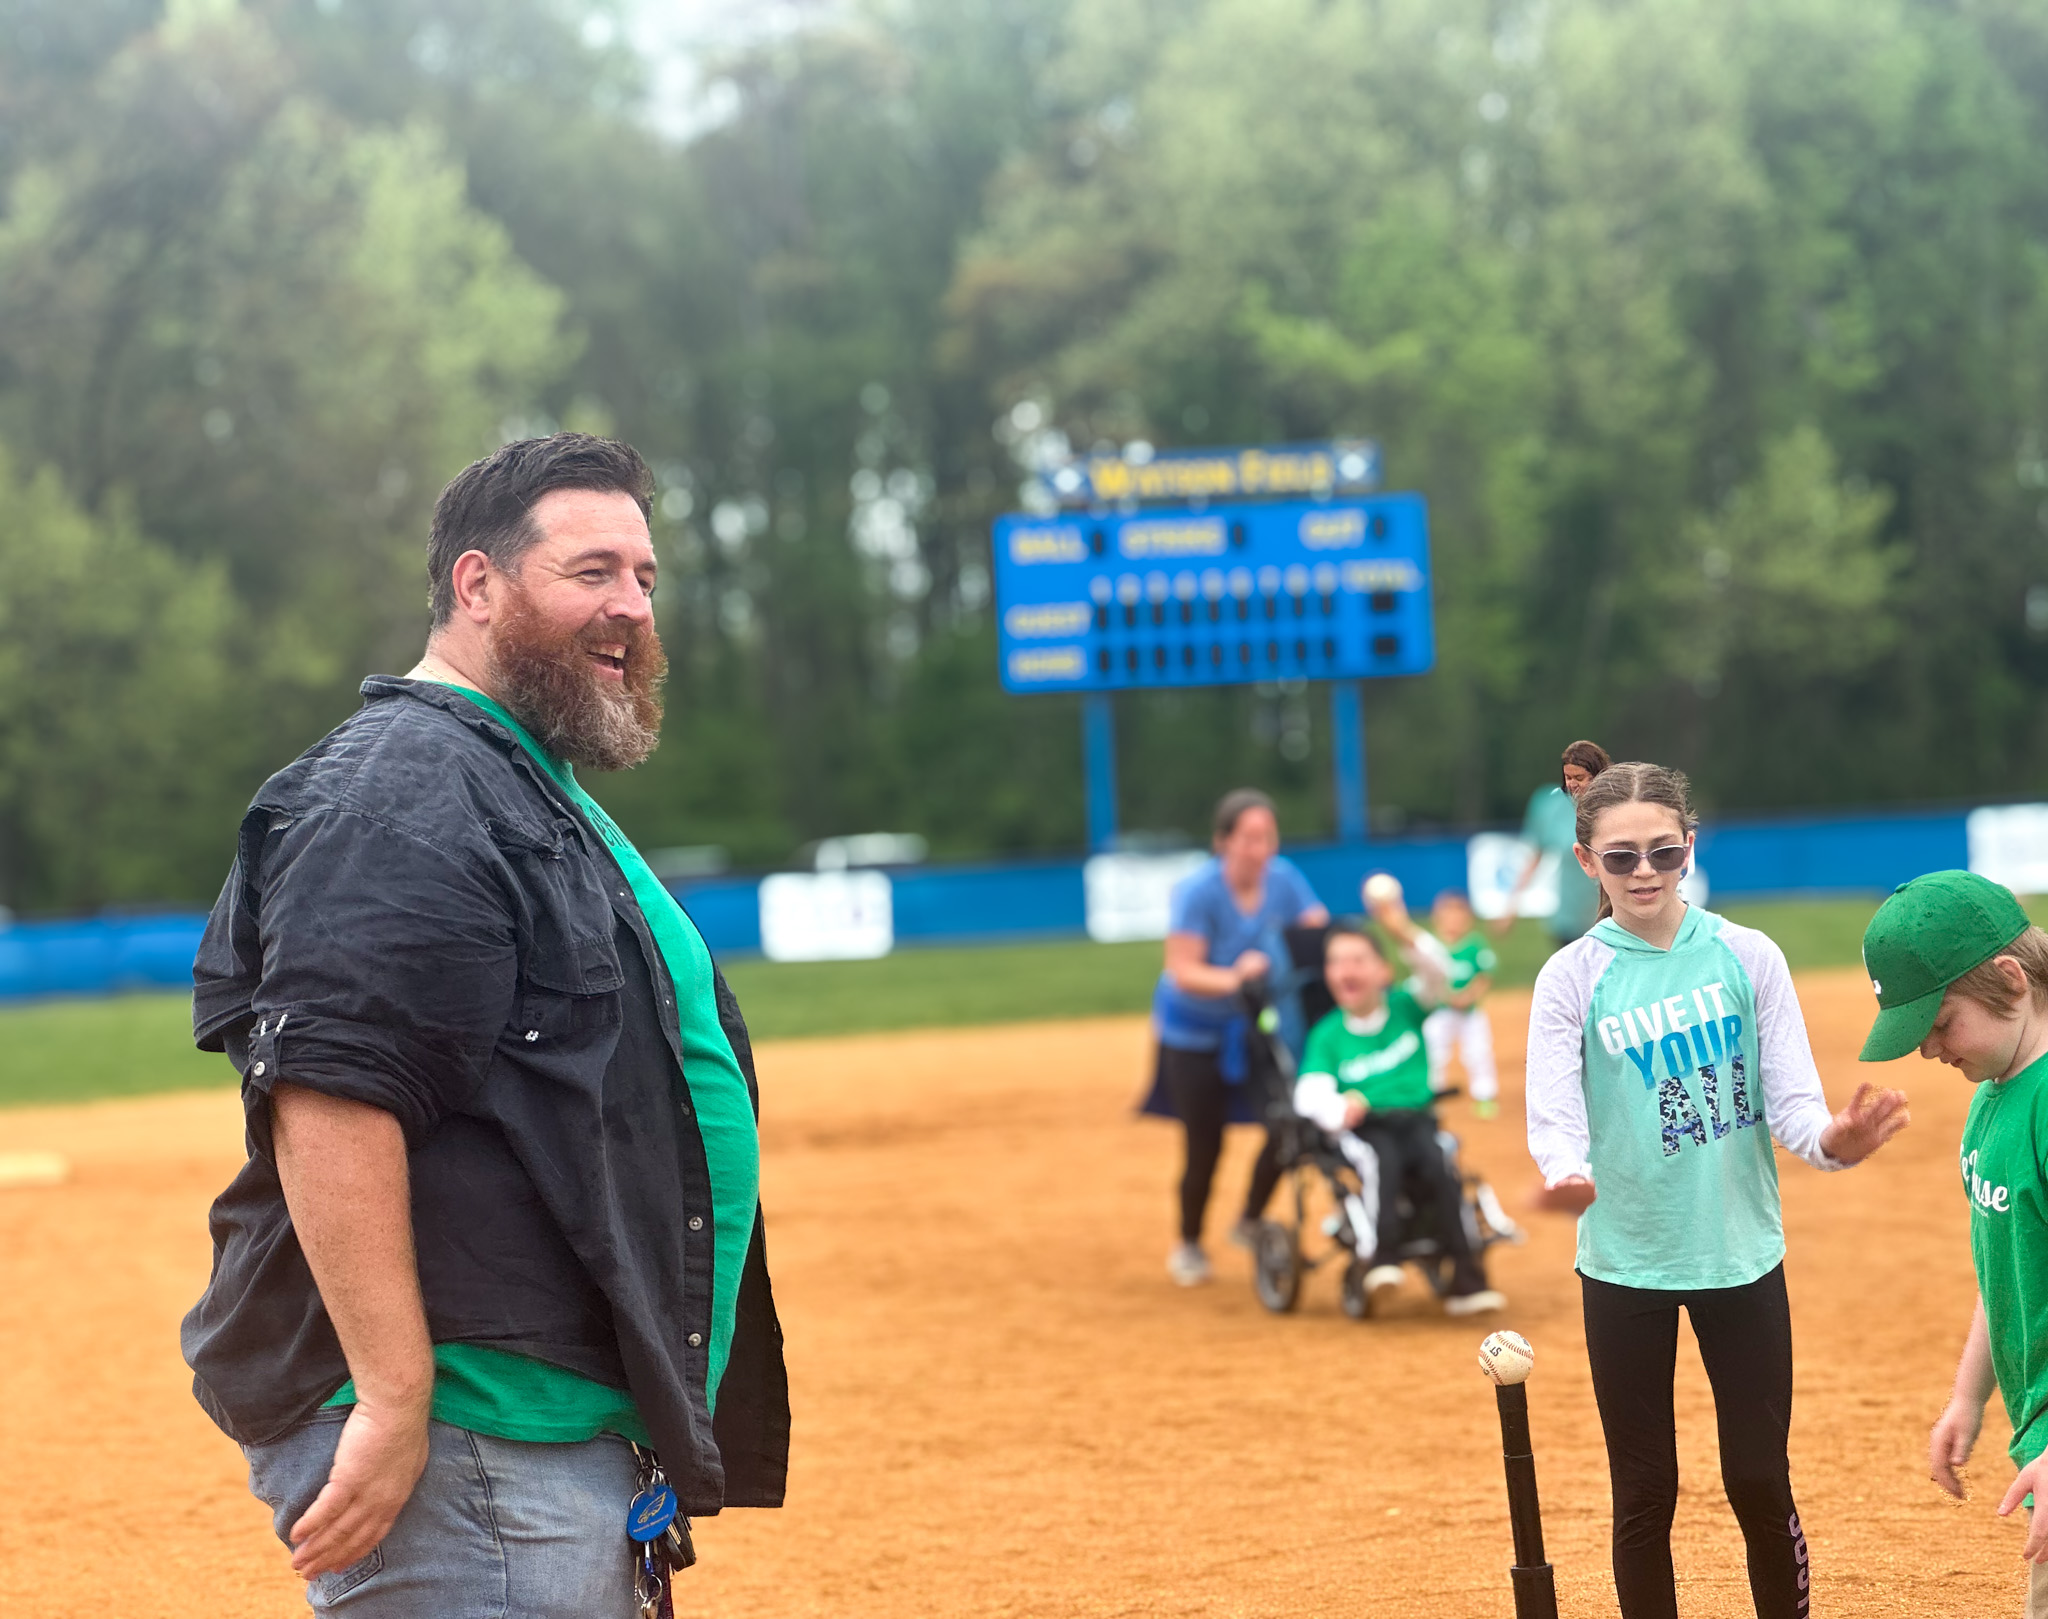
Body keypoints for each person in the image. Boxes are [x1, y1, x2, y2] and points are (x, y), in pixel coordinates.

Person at [182, 434, 788, 1617]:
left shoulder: (513, 782)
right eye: (592, 571)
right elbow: (333, 1093)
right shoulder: (406, 792)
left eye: (645, 578)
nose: (631, 608)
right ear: (476, 585)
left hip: (523, 1435)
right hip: (468, 1439)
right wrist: (396, 1394)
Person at [1524, 760, 1908, 1619]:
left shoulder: (1746, 955)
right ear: (1587, 861)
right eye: (1621, 858)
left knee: (1758, 1479)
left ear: (1690, 845)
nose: (1645, 872)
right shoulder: (1571, 978)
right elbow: (1553, 1118)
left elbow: (1798, 1107)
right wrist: (1567, 1173)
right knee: (1644, 1490)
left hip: (1740, 1253)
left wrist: (1837, 1142)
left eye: (1663, 851)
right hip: (1624, 1263)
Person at [1857, 873, 2048, 1608]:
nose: (1929, 1049)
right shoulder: (1991, 1101)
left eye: (1941, 1023)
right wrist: (1969, 1396)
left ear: (2010, 979)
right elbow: (2005, 1264)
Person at [1152, 788, 1329, 1286]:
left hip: (1256, 1024)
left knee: (1286, 1121)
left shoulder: (1285, 879)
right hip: (1194, 1030)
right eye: (1249, 837)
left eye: (1267, 836)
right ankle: (1188, 1242)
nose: (1260, 848)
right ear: (1223, 841)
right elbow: (1182, 970)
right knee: (1204, 1142)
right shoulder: (1198, 891)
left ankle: (1248, 1219)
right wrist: (1238, 978)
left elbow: (1314, 934)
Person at [1294, 909, 1506, 1316]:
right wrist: (1339, 1106)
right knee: (1381, 1162)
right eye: (1336, 962)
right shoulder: (1328, 1034)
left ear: (1384, 971)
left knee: (1442, 1165)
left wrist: (1403, 932)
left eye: (1358, 960)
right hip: (1365, 1128)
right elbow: (1309, 1091)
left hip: (1416, 1119)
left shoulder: (1406, 1006)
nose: (1346, 970)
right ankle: (1381, 1257)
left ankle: (1467, 1275)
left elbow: (1439, 975)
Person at [1497, 739, 1611, 946]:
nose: (1573, 784)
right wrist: (1511, 906)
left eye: (1580, 777)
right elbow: (1535, 856)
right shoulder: (1551, 805)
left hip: (1611, 918)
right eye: (1568, 777)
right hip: (1570, 918)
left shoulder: (1617, 805)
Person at [1422, 889, 1499, 1117]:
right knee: (1434, 1053)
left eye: (1458, 915)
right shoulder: (1431, 946)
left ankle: (1484, 1096)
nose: (1453, 921)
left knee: (1478, 1052)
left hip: (1470, 1012)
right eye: (1447, 915)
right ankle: (1431, 1097)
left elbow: (1485, 975)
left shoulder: (1475, 944)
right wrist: (1446, 996)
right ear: (1437, 919)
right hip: (1439, 1011)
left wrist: (1469, 996)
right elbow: (1426, 978)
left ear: (1467, 919)